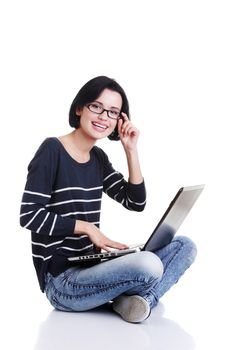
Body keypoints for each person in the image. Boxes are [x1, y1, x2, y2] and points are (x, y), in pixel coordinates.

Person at [20, 76, 197, 323]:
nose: (104, 116)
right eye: (96, 107)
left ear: (119, 120)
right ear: (79, 108)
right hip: (62, 282)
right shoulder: (52, 150)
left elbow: (135, 202)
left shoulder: (98, 158)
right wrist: (87, 228)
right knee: (148, 265)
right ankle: (137, 298)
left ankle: (137, 303)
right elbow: (29, 215)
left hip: (91, 269)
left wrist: (130, 149)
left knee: (185, 246)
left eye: (113, 112)